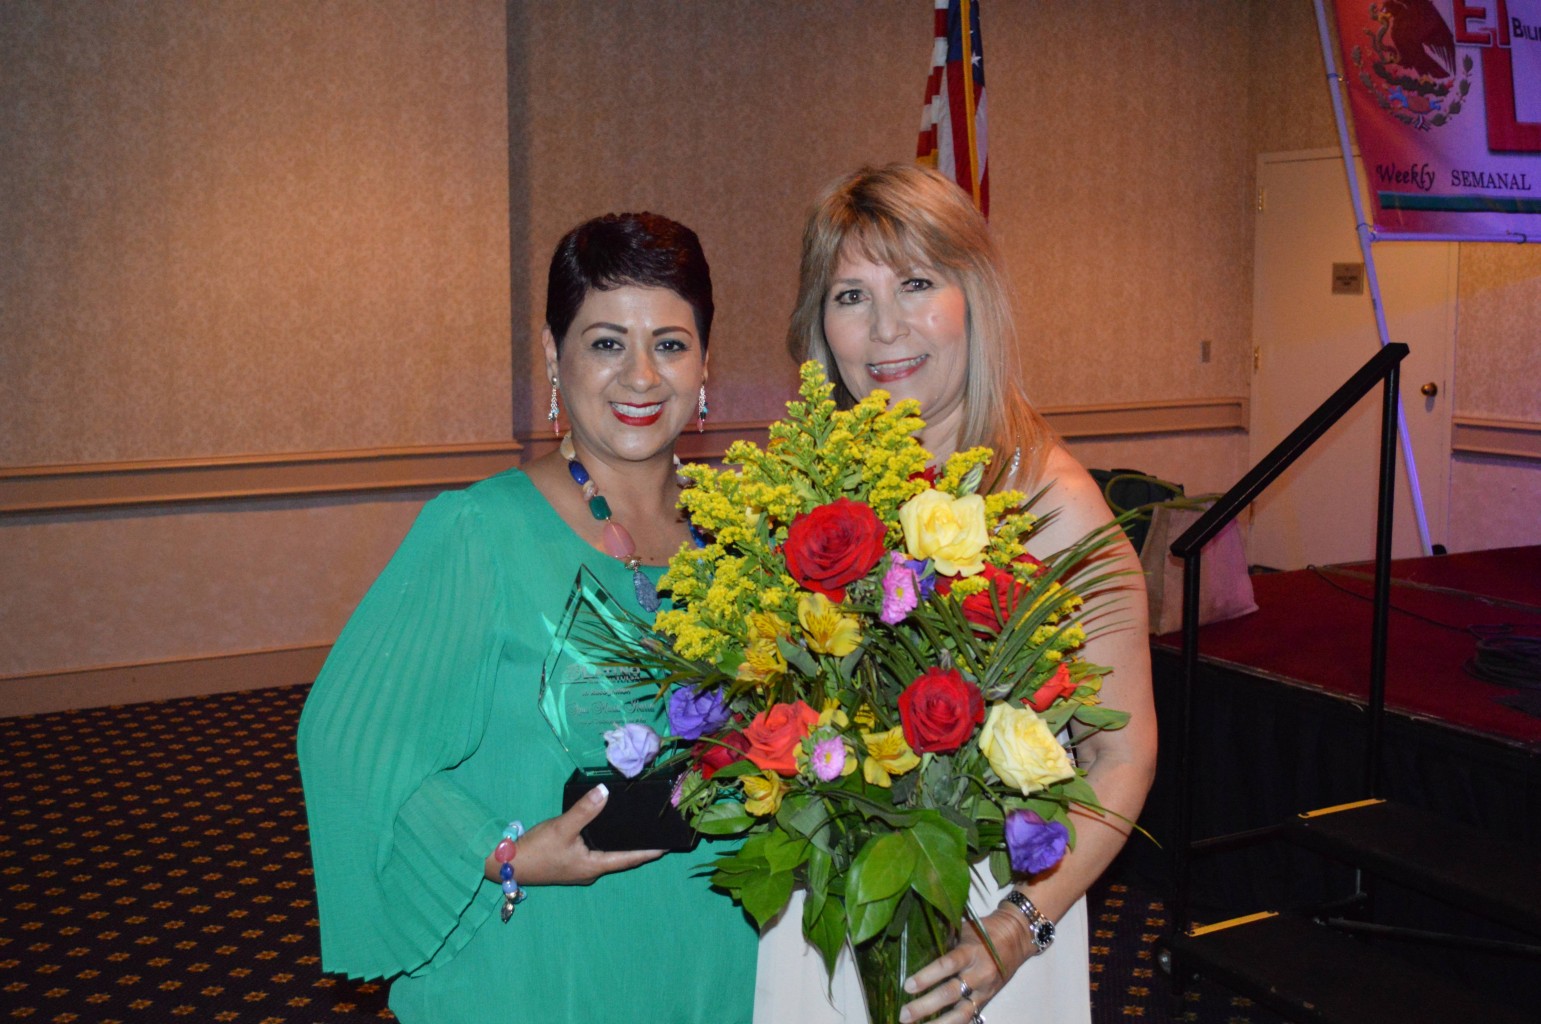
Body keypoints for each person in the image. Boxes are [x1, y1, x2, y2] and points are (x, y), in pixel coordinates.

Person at [298, 212, 757, 1024]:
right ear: (554, 355)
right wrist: (499, 849)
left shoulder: (743, 532)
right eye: (607, 342)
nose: (641, 377)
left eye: (671, 344)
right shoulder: (477, 531)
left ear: (705, 361)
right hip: (542, 956)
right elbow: (348, 740)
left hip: (711, 936)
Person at [756, 163, 1157, 1024]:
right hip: (822, 911)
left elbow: (1122, 757)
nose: (883, 327)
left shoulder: (1055, 505)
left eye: (915, 284)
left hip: (981, 927)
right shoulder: (812, 495)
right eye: (849, 295)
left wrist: (1015, 930)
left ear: (972, 297)